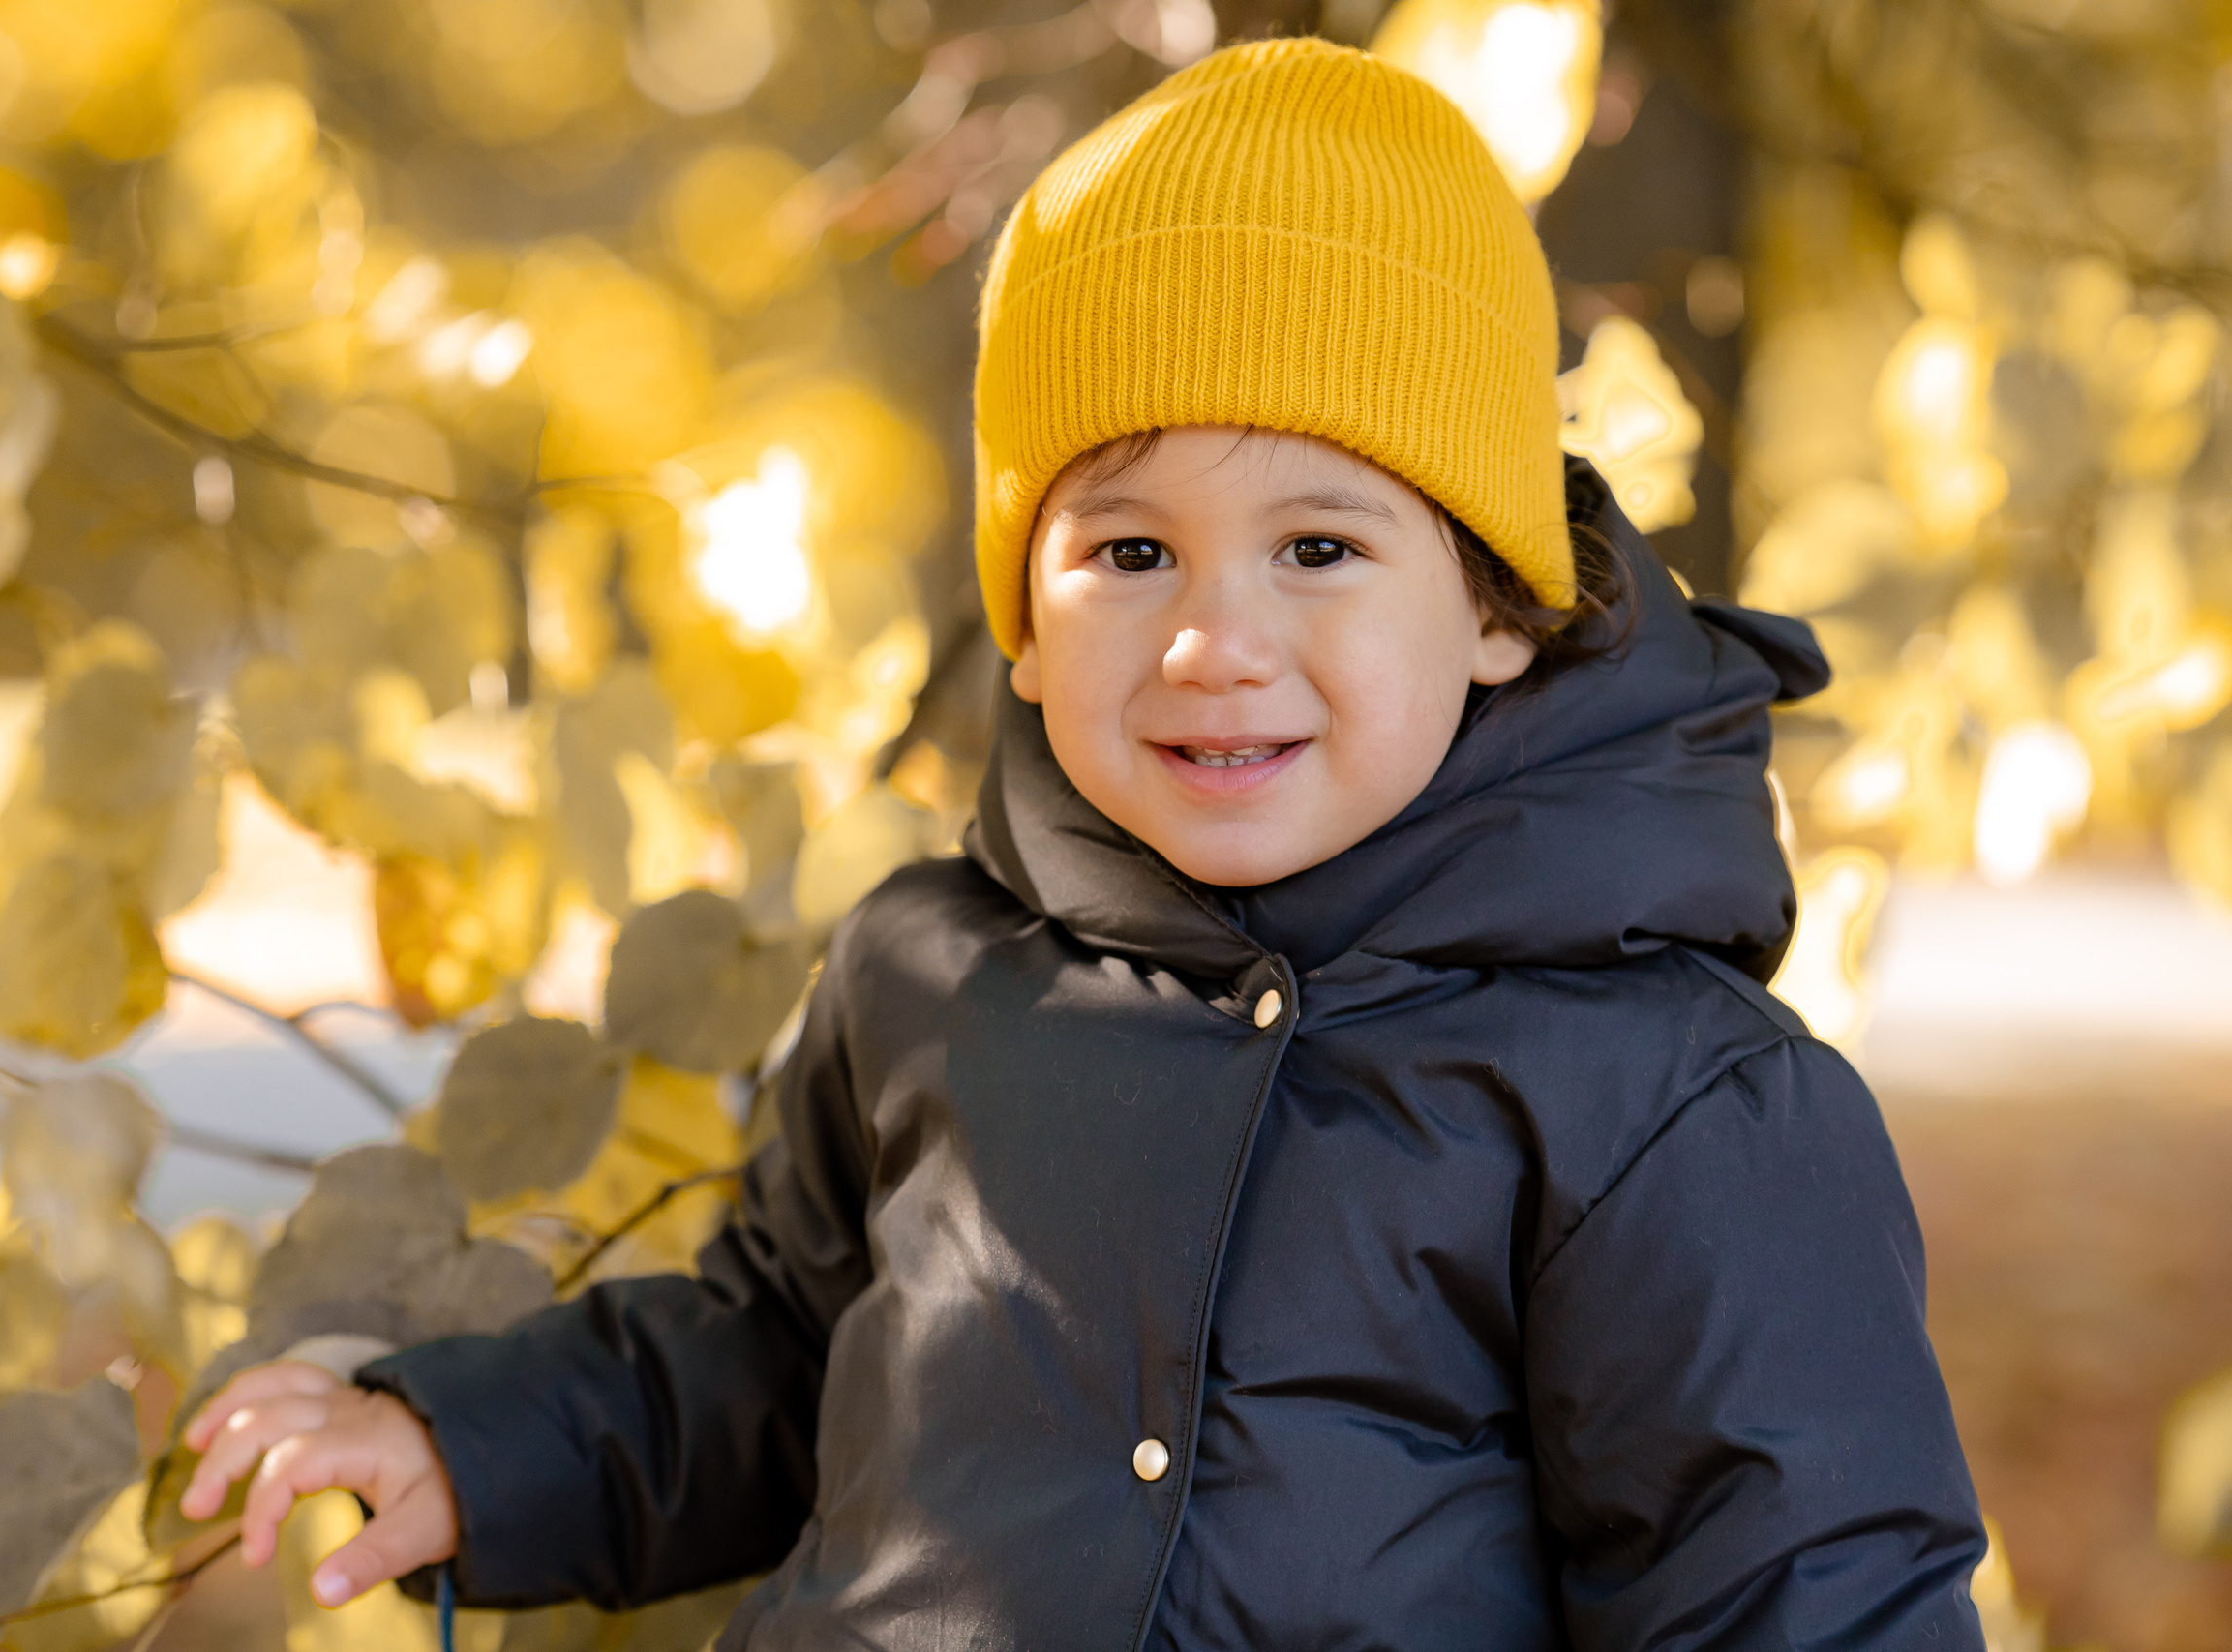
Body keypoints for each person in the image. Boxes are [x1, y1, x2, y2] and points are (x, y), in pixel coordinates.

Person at [179, 37, 1990, 1648]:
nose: (1215, 639)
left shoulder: (1657, 1099)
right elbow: (772, 1359)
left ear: (1498, 606)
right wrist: (472, 1446)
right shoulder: (930, 974)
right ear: (1027, 627)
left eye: (1321, 547)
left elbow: (1795, 1589)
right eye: (1129, 553)